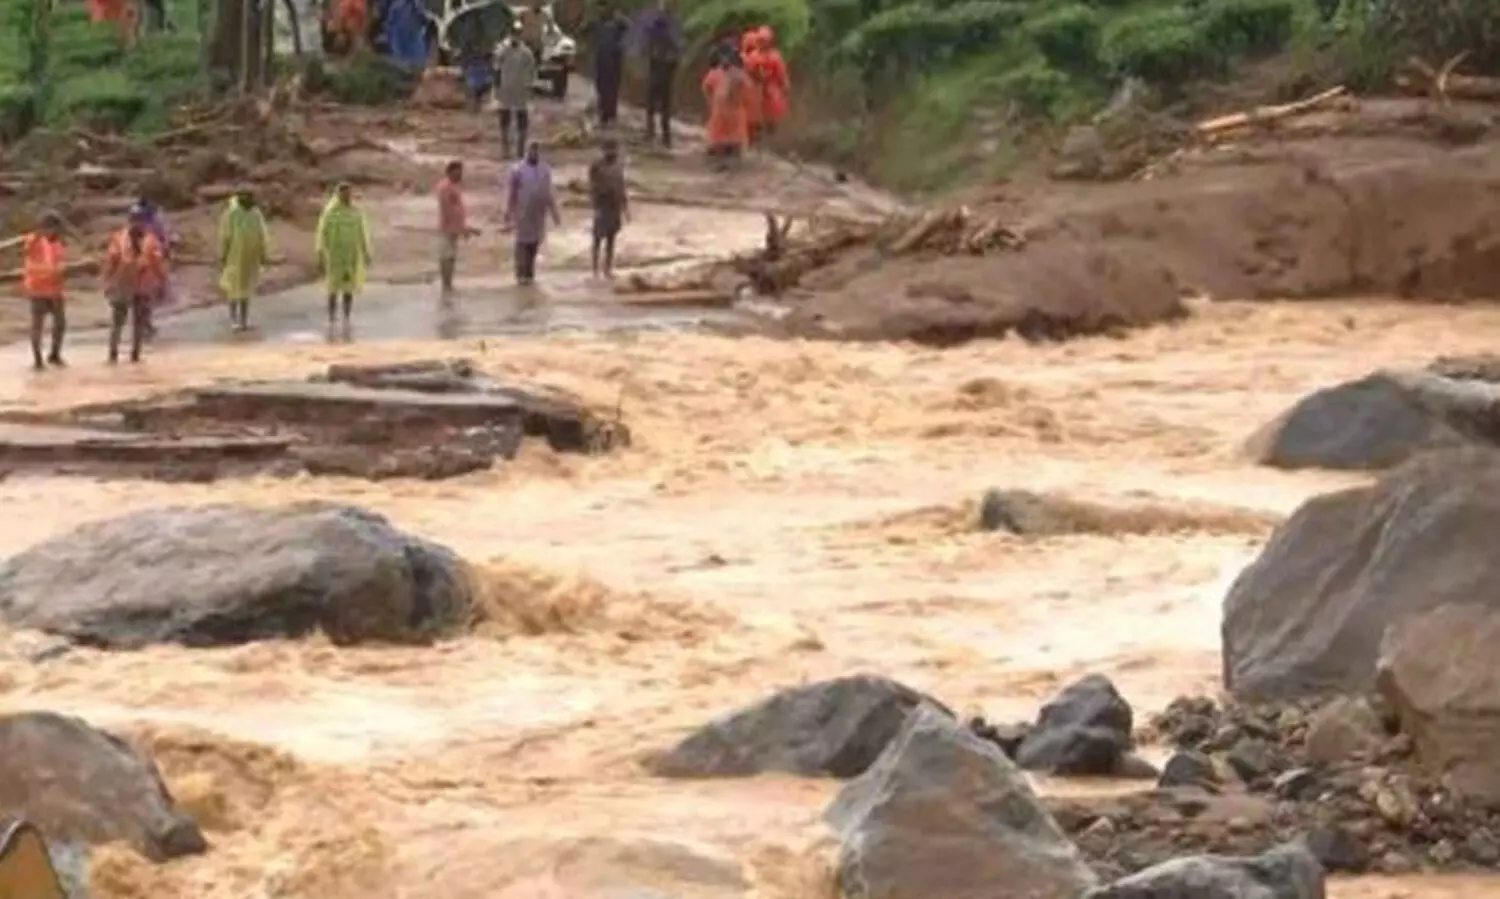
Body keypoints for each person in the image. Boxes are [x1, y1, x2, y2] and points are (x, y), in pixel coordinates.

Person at [103, 207, 166, 365]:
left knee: (138, 322)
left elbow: (157, 264)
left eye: (140, 221)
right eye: (135, 220)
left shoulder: (149, 240)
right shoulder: (120, 239)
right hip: (123, 285)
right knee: (119, 322)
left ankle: (134, 355)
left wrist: (162, 281)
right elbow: (111, 262)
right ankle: (113, 354)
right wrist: (107, 282)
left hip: (141, 286)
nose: (138, 224)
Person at [315, 182, 373, 328]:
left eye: (349, 193)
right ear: (338, 194)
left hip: (350, 256)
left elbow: (362, 232)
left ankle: (346, 317)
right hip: (334, 256)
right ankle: (332, 317)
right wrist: (320, 252)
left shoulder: (356, 211)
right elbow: (321, 233)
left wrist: (366, 252)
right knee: (332, 288)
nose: (347, 196)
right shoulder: (330, 211)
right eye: (344, 193)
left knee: (348, 288)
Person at [503, 141, 561, 286]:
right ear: (527, 151)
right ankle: (520, 274)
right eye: (532, 150)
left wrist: (554, 213)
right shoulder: (518, 170)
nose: (534, 153)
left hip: (538, 214)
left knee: (534, 243)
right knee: (522, 243)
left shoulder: (545, 169)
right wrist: (508, 211)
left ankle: (530, 274)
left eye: (537, 151)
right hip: (522, 212)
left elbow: (548, 193)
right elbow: (512, 192)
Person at [218, 188, 271, 332]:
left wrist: (264, 253)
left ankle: (244, 320)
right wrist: (223, 254)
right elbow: (225, 236)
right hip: (234, 257)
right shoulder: (231, 214)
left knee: (246, 290)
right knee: (233, 290)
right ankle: (234, 320)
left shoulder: (255, 213)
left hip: (251, 258)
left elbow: (262, 234)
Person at [21, 211, 67, 371]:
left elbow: (59, 264)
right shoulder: (34, 241)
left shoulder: (57, 244)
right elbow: (29, 250)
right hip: (38, 290)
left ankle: (54, 354)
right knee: (37, 326)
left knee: (60, 323)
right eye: (54, 228)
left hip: (55, 289)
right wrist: (37, 234)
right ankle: (37, 360)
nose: (56, 232)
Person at [637, 0, 682, 149]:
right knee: (664, 107)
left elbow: (649, 56)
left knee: (652, 106)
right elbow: (675, 61)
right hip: (665, 80)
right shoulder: (670, 43)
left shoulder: (655, 43)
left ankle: (652, 133)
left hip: (657, 78)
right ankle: (665, 137)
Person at [130, 196, 174, 340]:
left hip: (135, 267)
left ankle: (142, 325)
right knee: (146, 297)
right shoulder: (153, 224)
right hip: (147, 266)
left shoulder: (133, 225)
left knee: (140, 298)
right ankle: (145, 325)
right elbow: (161, 242)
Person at [437, 160, 480, 295]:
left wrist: (464, 228)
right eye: (458, 171)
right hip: (447, 228)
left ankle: (448, 285)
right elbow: (448, 209)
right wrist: (462, 229)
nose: (461, 174)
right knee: (446, 257)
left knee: (451, 257)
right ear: (450, 171)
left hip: (454, 228)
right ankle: (446, 285)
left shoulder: (454, 186)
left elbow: (456, 209)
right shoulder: (445, 187)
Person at [588, 139, 628, 279]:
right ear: (604, 151)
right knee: (597, 239)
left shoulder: (618, 166)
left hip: (614, 206)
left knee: (611, 239)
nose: (613, 153)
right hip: (602, 205)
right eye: (610, 150)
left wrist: (625, 207)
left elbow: (622, 186)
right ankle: (594, 269)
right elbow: (593, 187)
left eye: (614, 150)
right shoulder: (597, 166)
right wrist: (595, 206)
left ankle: (607, 268)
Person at [495, 27, 538, 159]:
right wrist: (497, 88)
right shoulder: (503, 51)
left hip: (521, 91)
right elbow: (496, 68)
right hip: (506, 89)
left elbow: (532, 71)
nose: (515, 37)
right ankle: (505, 150)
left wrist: (530, 87)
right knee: (504, 120)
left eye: (517, 35)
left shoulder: (527, 53)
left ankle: (520, 151)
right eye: (513, 34)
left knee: (522, 121)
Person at [703, 55, 751, 168]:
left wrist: (710, 100)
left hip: (722, 108)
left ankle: (721, 160)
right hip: (732, 109)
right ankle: (731, 160)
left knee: (720, 135)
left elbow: (705, 88)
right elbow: (748, 90)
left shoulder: (714, 73)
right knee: (733, 136)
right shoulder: (740, 74)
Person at [592, 3, 631, 127]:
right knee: (601, 87)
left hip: (614, 61)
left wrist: (621, 17)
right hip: (601, 61)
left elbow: (631, 28)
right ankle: (604, 114)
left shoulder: (619, 25)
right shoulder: (599, 24)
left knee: (612, 88)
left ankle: (610, 114)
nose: (602, 10)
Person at [753, 27, 790, 137]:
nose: (762, 43)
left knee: (773, 111)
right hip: (755, 88)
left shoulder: (775, 56)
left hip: (771, 89)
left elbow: (782, 74)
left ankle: (771, 133)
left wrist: (785, 86)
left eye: (764, 40)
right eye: (760, 40)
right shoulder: (753, 55)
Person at [740, 28, 764, 143]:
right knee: (753, 117)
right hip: (753, 88)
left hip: (740, 89)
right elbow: (759, 74)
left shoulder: (739, 56)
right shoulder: (756, 57)